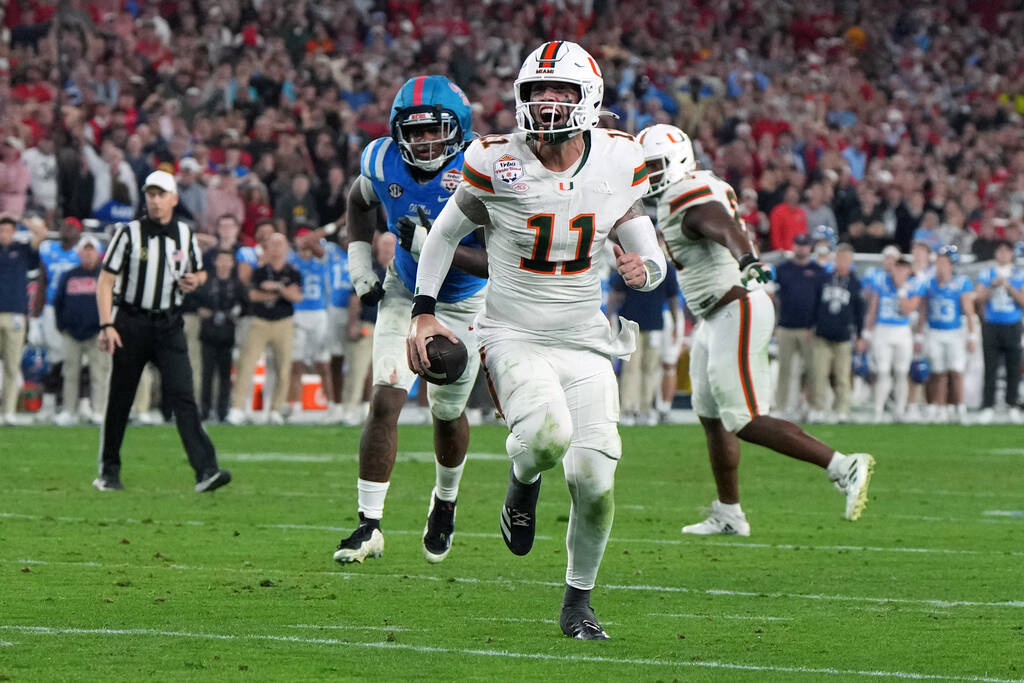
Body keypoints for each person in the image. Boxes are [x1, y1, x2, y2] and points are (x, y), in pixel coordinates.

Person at [409, 44, 667, 640]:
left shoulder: (618, 158)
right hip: (513, 333)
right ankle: (522, 483)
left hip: (585, 338)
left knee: (596, 481)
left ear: (589, 98)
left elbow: (641, 238)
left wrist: (645, 271)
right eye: (537, 92)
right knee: (548, 438)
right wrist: (424, 312)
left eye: (561, 92)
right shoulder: (496, 159)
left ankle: (578, 602)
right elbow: (445, 234)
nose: (547, 103)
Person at [637, 124, 873, 539]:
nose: (649, 174)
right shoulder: (690, 189)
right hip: (715, 314)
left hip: (736, 306)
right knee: (711, 416)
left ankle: (842, 464)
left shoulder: (683, 194)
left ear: (677, 160)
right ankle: (729, 512)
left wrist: (747, 257)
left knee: (742, 418)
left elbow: (719, 223)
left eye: (654, 165)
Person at [332, 75, 488, 567]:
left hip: (463, 299)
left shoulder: (484, 168)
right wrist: (360, 264)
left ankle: (445, 500)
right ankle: (368, 524)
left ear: (458, 129)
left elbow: (498, 264)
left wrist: (431, 246)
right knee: (386, 394)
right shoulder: (381, 159)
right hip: (403, 288)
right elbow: (359, 202)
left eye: (433, 130)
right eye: (413, 131)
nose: (422, 140)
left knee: (446, 411)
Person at [94, 170, 231, 492]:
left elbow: (199, 273)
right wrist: (106, 323)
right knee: (121, 399)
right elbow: (106, 280)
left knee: (184, 396)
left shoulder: (185, 235)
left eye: (160, 195)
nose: (154, 201)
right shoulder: (128, 233)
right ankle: (108, 472)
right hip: (131, 321)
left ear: (173, 198)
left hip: (169, 324)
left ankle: (206, 471)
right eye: (150, 194)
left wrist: (195, 281)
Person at [226, 232, 302, 424]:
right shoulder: (259, 270)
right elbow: (252, 296)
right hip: (259, 322)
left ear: (286, 247)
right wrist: (279, 294)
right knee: (246, 365)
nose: (276, 247)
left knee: (283, 368)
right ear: (267, 247)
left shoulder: (292, 271)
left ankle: (276, 410)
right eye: (273, 243)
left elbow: (297, 296)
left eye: (280, 243)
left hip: (284, 323)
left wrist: (276, 288)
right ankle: (237, 408)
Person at [53, 235, 110, 426]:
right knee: (70, 373)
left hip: (97, 332)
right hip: (72, 333)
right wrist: (62, 326)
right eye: (84, 250)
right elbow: (58, 302)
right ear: (78, 253)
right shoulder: (68, 275)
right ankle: (69, 411)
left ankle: (99, 411)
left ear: (98, 253)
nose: (87, 253)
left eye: (91, 249)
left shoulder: (105, 276)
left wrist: (106, 327)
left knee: (99, 374)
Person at [863, 256, 924, 422]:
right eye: (898, 267)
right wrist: (867, 332)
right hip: (883, 329)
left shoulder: (914, 285)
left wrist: (901, 288)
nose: (900, 271)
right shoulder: (881, 282)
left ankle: (899, 411)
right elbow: (873, 309)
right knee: (883, 371)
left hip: (902, 330)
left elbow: (907, 310)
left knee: (901, 372)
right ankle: (878, 411)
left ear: (909, 270)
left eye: (904, 268)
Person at [808, 242, 865, 423]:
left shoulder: (855, 284)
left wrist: (861, 334)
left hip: (843, 336)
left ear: (851, 261)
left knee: (842, 375)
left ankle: (842, 409)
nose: (842, 262)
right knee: (819, 373)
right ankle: (818, 408)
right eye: (840, 257)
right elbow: (814, 304)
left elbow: (859, 311)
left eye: (846, 259)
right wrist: (811, 325)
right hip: (822, 333)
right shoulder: (824, 279)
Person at [0, 214, 47, 424]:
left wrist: (18, 218)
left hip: (16, 314)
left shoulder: (22, 250)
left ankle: (8, 411)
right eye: (2, 230)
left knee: (12, 364)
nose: (5, 234)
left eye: (9, 230)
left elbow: (42, 233)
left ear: (14, 232)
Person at [36, 216, 84, 419]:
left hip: (75, 311)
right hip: (50, 308)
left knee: (80, 361)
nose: (66, 229)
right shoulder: (48, 250)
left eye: (71, 227)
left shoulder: (85, 253)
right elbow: (42, 282)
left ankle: (81, 404)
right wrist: (34, 315)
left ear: (79, 232)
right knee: (55, 358)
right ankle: (49, 403)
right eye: (64, 225)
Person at [921, 246, 976, 424]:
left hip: (955, 332)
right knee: (938, 372)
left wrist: (971, 335)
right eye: (939, 262)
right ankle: (941, 408)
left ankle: (960, 408)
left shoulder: (962, 283)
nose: (941, 265)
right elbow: (923, 310)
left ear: (952, 264)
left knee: (956, 372)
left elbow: (969, 311)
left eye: (944, 262)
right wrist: (919, 334)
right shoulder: (929, 283)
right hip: (935, 331)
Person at [772, 232, 824, 418]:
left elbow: (821, 302)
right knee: (784, 370)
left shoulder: (818, 271)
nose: (801, 248)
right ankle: (781, 406)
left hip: (808, 328)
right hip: (785, 326)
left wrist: (816, 326)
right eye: (798, 244)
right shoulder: (782, 269)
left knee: (812, 370)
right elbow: (773, 298)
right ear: (793, 246)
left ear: (810, 248)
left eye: (804, 245)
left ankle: (814, 407)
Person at [975, 240, 1024, 423]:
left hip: (1012, 324)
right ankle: (988, 405)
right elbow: (979, 297)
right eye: (1000, 250)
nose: (1003, 254)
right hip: (992, 324)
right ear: (996, 254)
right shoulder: (987, 274)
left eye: (1006, 250)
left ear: (1012, 254)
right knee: (990, 368)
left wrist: (1009, 287)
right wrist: (993, 285)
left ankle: (1012, 405)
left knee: (1014, 368)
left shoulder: (1019, 274)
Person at [286, 227, 332, 422]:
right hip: (297, 314)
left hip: (319, 313)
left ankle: (332, 405)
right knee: (296, 363)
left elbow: (322, 252)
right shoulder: (291, 261)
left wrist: (310, 240)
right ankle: (294, 406)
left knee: (322, 362)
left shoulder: (321, 258)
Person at [196, 249, 246, 422]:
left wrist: (237, 312)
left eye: (228, 260)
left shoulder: (237, 284)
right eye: (221, 260)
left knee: (225, 375)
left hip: (228, 335)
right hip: (208, 334)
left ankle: (223, 410)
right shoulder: (207, 281)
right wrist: (200, 310)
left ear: (232, 263)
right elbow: (193, 298)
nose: (224, 264)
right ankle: (204, 409)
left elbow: (246, 305)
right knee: (206, 374)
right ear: (215, 262)